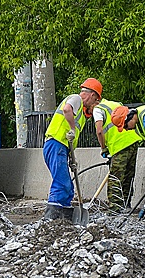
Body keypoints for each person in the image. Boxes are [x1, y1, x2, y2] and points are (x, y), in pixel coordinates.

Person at [42, 78, 103, 220]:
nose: (94, 105)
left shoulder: (81, 112)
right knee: (61, 182)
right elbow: (66, 109)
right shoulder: (76, 99)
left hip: (62, 148)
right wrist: (72, 128)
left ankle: (64, 216)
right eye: (95, 100)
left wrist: (70, 156)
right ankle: (51, 218)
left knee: (68, 186)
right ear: (92, 95)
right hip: (55, 143)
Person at [93, 99, 142, 212]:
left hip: (119, 145)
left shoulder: (98, 109)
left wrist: (104, 148)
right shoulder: (115, 103)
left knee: (115, 177)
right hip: (133, 140)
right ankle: (126, 204)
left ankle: (115, 208)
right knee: (128, 175)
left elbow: (99, 131)